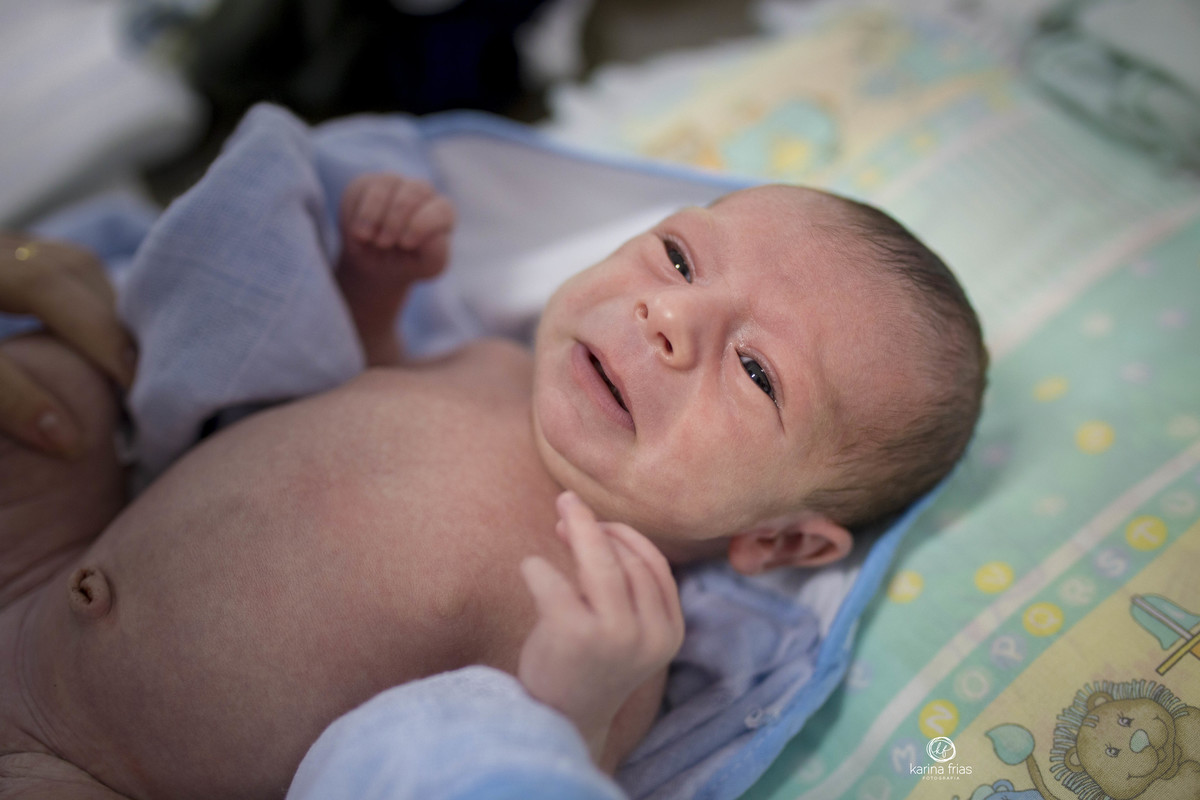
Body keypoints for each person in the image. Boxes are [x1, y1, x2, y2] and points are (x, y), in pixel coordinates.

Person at [0, 173, 986, 799]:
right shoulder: (481, 359)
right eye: (680, 257)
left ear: (776, 541)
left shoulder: (613, 623)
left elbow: (509, 769)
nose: (668, 315)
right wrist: (374, 289)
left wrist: (577, 701)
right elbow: (330, 385)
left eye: (758, 370)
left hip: (92, 768)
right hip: (44, 548)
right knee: (61, 380)